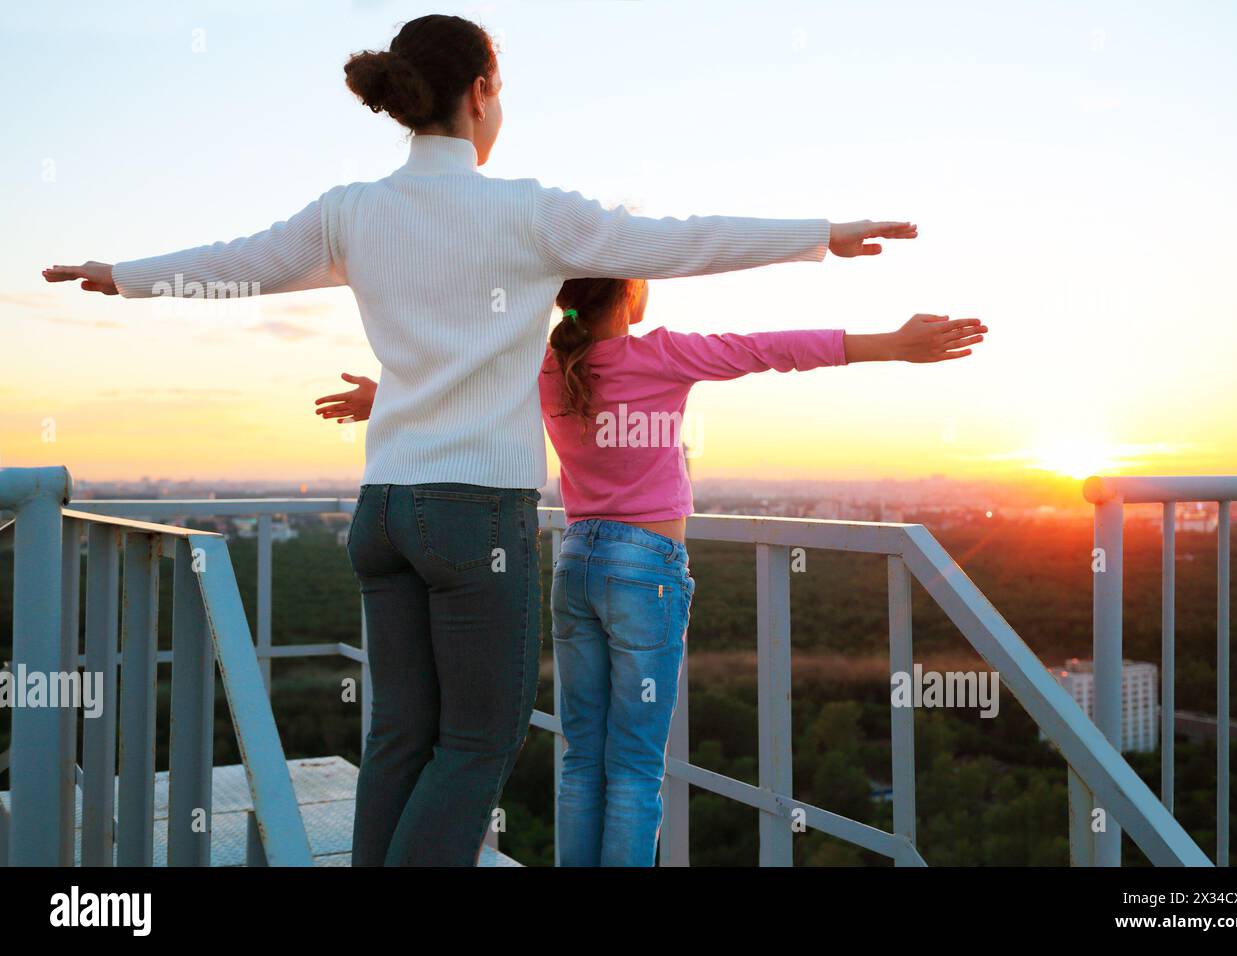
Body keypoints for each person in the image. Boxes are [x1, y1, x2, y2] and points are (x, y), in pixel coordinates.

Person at [43, 13, 917, 866]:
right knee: (477, 743)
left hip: (382, 512)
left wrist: (124, 277)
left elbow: (242, 262)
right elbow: (680, 241)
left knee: (399, 739)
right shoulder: (529, 213)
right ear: (481, 91)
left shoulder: (353, 211)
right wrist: (821, 236)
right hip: (472, 520)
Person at [315, 277, 986, 865]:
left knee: (583, 754)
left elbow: (463, 399)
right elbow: (772, 349)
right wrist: (891, 343)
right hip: (646, 571)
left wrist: (386, 400)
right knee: (634, 763)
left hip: (576, 562)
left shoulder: (545, 365)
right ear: (631, 292)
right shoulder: (659, 353)